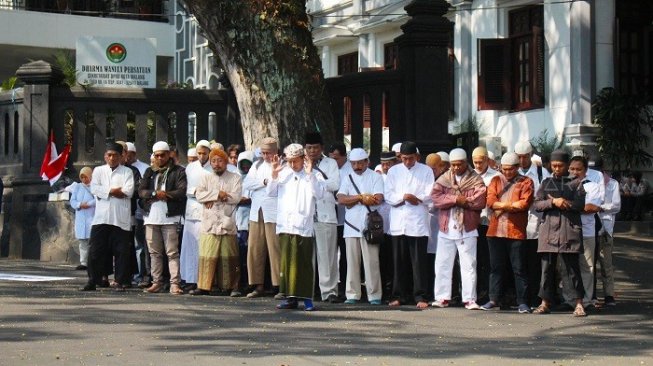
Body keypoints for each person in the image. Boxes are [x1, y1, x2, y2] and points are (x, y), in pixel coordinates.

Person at [268, 143, 326, 311]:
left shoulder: (314, 175)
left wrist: (309, 175)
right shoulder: (283, 173)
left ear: (303, 159)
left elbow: (319, 194)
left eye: (296, 161)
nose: (293, 165)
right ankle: (289, 297)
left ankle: (307, 298)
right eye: (290, 161)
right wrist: (273, 173)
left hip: (303, 225)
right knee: (286, 262)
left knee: (304, 262)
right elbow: (270, 192)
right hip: (285, 224)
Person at [532, 150, 586, 317]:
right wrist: (553, 202)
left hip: (568, 232)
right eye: (554, 165)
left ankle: (578, 304)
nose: (556, 169)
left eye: (560, 166)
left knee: (572, 270)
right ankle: (545, 303)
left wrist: (565, 203)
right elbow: (536, 205)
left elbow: (580, 205)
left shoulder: (576, 183)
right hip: (548, 232)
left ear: (567, 166)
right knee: (546, 270)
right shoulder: (546, 182)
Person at [431, 148, 487, 310]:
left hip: (467, 228)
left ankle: (469, 299)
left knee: (469, 264)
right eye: (453, 165)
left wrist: (464, 201)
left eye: (459, 164)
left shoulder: (475, 179)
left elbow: (480, 200)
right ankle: (442, 297)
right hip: (446, 227)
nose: (456, 168)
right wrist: (455, 199)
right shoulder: (444, 179)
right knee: (442, 263)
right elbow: (436, 198)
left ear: (465, 162)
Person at [480, 152, 534, 313]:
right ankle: (493, 299)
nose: (507, 172)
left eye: (511, 169)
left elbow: (524, 204)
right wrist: (510, 205)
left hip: (515, 231)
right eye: (504, 169)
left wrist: (501, 205)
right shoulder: (496, 180)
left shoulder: (526, 182)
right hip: (495, 231)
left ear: (517, 167)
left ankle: (522, 302)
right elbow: (489, 201)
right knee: (496, 267)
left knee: (518, 268)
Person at [79, 142, 135, 292]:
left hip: (120, 218)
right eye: (109, 155)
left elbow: (128, 191)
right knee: (95, 249)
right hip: (101, 217)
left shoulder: (127, 172)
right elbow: (95, 188)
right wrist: (112, 191)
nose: (112, 158)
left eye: (115, 155)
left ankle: (120, 281)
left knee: (121, 251)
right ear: (105, 156)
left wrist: (107, 192)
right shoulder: (98, 171)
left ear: (121, 156)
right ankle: (93, 280)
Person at [384, 141, 434, 309]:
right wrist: (403, 197)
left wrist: (417, 198)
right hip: (399, 221)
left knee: (418, 262)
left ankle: (420, 296)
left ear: (417, 157)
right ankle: (398, 295)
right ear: (400, 157)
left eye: (410, 159)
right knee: (399, 262)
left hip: (417, 221)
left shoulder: (426, 171)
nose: (407, 162)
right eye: (404, 159)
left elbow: (430, 193)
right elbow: (388, 194)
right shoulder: (393, 171)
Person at [191, 148, 242, 296]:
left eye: (220, 161)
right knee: (207, 254)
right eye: (213, 161)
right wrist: (217, 194)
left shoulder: (235, 178)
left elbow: (236, 197)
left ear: (225, 162)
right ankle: (204, 286)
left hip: (227, 221)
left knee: (229, 256)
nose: (216, 164)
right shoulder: (205, 178)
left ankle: (231, 287)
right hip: (210, 222)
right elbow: (199, 195)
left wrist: (213, 197)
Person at [139, 141, 187, 295]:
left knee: (172, 253)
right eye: (157, 155)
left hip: (170, 218)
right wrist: (154, 194)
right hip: (151, 218)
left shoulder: (179, 171)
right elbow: (141, 191)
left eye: (162, 155)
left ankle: (174, 284)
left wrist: (165, 194)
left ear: (168, 155)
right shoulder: (149, 171)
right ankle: (156, 282)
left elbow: (181, 191)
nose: (160, 158)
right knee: (154, 253)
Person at [337, 148, 384, 305]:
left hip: (369, 224)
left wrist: (356, 199)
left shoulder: (375, 177)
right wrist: (360, 197)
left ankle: (374, 294)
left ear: (367, 162)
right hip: (351, 225)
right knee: (352, 262)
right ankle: (352, 294)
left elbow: (378, 199)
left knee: (372, 261)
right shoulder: (347, 177)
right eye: (354, 163)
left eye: (359, 163)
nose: (357, 166)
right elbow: (342, 199)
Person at [304, 132, 342, 303]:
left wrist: (315, 181)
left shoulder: (330, 163)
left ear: (322, 148)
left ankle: (329, 291)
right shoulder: (299, 163)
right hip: (306, 215)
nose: (312, 151)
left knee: (327, 256)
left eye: (315, 147)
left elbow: (335, 183)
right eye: (309, 147)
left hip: (325, 214)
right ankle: (307, 291)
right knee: (306, 256)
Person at [242, 138, 282, 298]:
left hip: (274, 211)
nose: (265, 156)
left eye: (268, 153)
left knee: (275, 248)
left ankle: (278, 285)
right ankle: (257, 285)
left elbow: (278, 186)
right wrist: (265, 181)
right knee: (255, 248)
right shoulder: (256, 165)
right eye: (263, 153)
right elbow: (246, 184)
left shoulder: (283, 165)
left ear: (275, 152)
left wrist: (262, 183)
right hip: (256, 210)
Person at [514, 140, 551, 306]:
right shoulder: (511, 171)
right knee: (518, 263)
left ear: (531, 155)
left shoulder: (542, 173)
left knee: (535, 263)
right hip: (517, 223)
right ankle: (520, 297)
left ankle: (536, 297)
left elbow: (549, 196)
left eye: (525, 157)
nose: (522, 161)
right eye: (519, 157)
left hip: (537, 223)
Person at [565, 156, 602, 309]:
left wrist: (569, 205)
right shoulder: (563, 185)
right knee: (566, 268)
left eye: (578, 169)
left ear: (585, 171)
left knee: (587, 267)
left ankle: (586, 299)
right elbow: (582, 207)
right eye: (572, 169)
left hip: (586, 232)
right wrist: (579, 206)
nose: (575, 172)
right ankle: (569, 300)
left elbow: (592, 208)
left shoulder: (592, 186)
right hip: (566, 231)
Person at [179, 140, 212, 292]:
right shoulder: (190, 168)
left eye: (204, 153)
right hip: (191, 209)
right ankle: (189, 279)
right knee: (188, 246)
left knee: (202, 247)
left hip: (206, 210)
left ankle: (202, 281)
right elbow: (184, 188)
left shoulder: (213, 168)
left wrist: (201, 194)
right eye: (199, 153)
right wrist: (195, 192)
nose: (201, 156)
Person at [471, 146, 500, 304]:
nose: (478, 165)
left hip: (490, 222)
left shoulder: (496, 176)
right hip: (473, 223)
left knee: (490, 260)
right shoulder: (469, 175)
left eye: (481, 162)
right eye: (475, 162)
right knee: (475, 260)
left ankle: (490, 293)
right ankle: (477, 292)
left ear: (487, 161)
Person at [328, 142, 351, 299]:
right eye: (331, 158)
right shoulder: (329, 168)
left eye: (336, 158)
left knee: (345, 255)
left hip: (345, 219)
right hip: (329, 216)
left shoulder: (349, 170)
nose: (333, 161)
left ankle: (344, 287)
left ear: (344, 156)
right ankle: (329, 287)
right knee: (329, 253)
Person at [597, 161, 621, 307]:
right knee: (588, 265)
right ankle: (590, 295)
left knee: (606, 264)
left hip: (606, 229)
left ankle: (609, 295)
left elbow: (616, 206)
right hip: (590, 229)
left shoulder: (612, 183)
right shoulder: (588, 182)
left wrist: (600, 207)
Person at [126, 142, 150, 288]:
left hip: (141, 213)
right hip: (128, 212)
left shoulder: (143, 168)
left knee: (140, 245)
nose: (126, 157)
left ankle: (141, 274)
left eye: (129, 154)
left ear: (134, 154)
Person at [377, 151, 398, 298]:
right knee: (381, 260)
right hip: (380, 225)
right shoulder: (377, 177)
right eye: (383, 164)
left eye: (388, 164)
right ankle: (383, 290)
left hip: (395, 224)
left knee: (394, 260)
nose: (385, 167)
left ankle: (393, 290)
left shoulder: (399, 176)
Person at [69, 167, 96, 271]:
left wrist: (88, 204)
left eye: (86, 177)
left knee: (91, 241)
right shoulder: (78, 187)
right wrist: (80, 205)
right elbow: (73, 201)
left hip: (91, 215)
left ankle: (92, 261)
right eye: (82, 177)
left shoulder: (94, 187)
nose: (84, 179)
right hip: (81, 216)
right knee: (82, 241)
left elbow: (97, 199)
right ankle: (83, 262)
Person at [235, 150, 254, 292]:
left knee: (251, 254)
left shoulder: (255, 177)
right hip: (239, 221)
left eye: (249, 165)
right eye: (243, 165)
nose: (246, 168)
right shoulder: (236, 178)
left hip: (252, 219)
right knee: (240, 253)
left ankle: (251, 282)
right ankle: (240, 282)